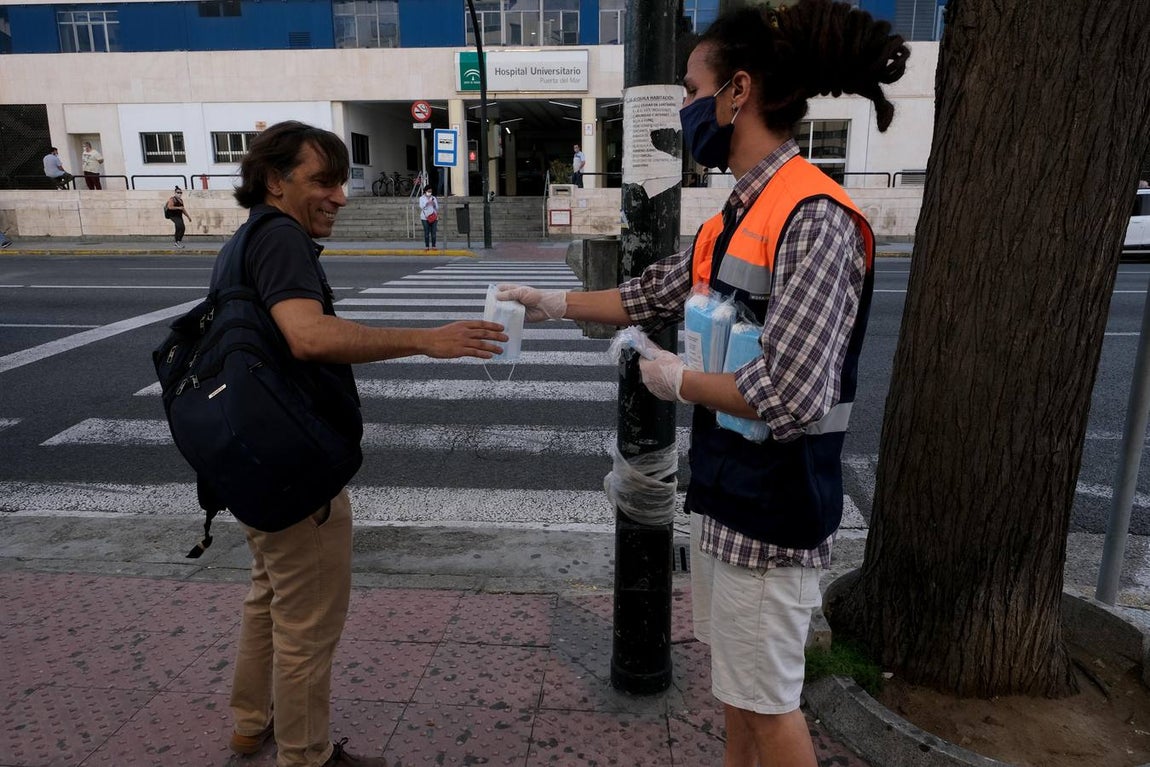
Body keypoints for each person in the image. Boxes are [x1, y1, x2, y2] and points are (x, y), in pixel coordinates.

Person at [498, 2, 907, 765]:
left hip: (775, 516)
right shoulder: (730, 218)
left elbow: (793, 393)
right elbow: (647, 294)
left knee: (770, 711)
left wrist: (678, 380)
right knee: (740, 700)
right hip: (726, 501)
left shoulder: (814, 216)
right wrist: (548, 302)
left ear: (737, 91)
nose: (684, 106)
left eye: (692, 88)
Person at [220, 120, 505, 767]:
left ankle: (249, 723)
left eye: (342, 179)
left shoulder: (242, 243)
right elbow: (308, 337)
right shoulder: (283, 239)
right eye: (323, 179)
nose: (340, 195)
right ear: (275, 181)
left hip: (248, 461)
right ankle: (307, 754)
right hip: (294, 473)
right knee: (306, 627)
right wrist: (427, 338)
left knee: (267, 597)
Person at [417, 184, 439, 250]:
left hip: (434, 217)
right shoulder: (421, 198)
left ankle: (434, 246)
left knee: (434, 233)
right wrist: (427, 203)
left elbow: (437, 207)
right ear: (425, 191)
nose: (429, 193)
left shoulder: (433, 198)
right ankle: (427, 246)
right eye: (428, 191)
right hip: (425, 217)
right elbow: (421, 206)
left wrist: (434, 204)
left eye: (430, 191)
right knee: (426, 232)